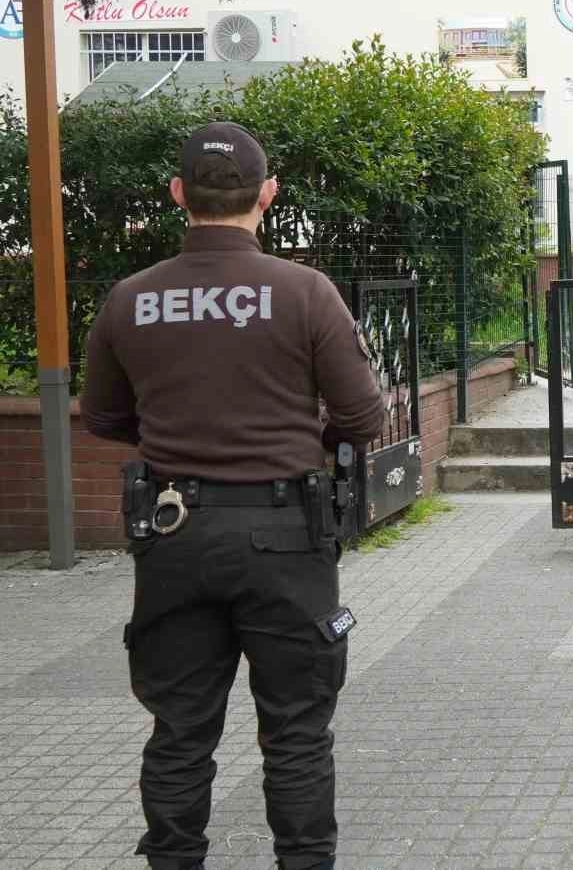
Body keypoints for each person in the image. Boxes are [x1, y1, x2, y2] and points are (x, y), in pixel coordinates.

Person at [81, 122, 386, 870]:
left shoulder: (130, 298)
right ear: (268, 195)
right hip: (287, 537)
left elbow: (104, 418)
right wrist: (306, 440)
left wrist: (178, 439)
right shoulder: (305, 293)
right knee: (297, 734)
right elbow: (364, 417)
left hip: (173, 533)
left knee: (180, 732)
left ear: (177, 194)